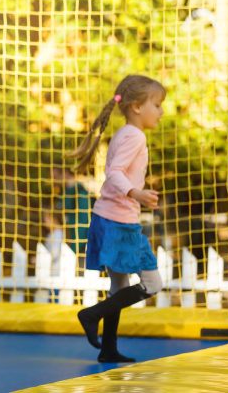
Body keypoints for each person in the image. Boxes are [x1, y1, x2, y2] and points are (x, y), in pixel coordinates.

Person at [67, 74, 166, 363]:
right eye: (157, 105)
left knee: (119, 287)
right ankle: (92, 314)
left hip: (106, 218)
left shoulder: (124, 133)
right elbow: (115, 173)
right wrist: (136, 192)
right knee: (153, 283)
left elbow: (114, 171)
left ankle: (108, 349)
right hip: (120, 224)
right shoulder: (135, 136)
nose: (160, 111)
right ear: (137, 107)